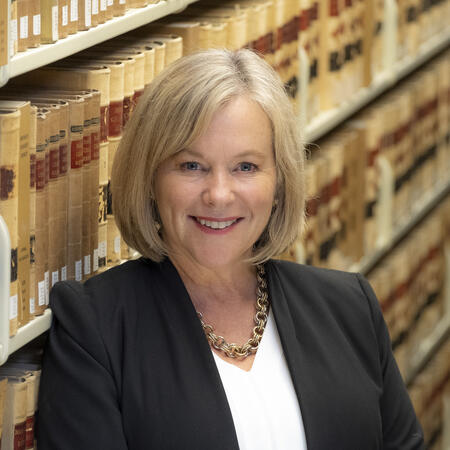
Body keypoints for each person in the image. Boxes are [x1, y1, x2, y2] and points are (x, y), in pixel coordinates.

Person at [37, 49, 424, 450]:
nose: (219, 195)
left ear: (279, 182)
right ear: (150, 179)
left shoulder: (349, 305)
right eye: (191, 166)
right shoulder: (94, 329)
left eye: (246, 167)